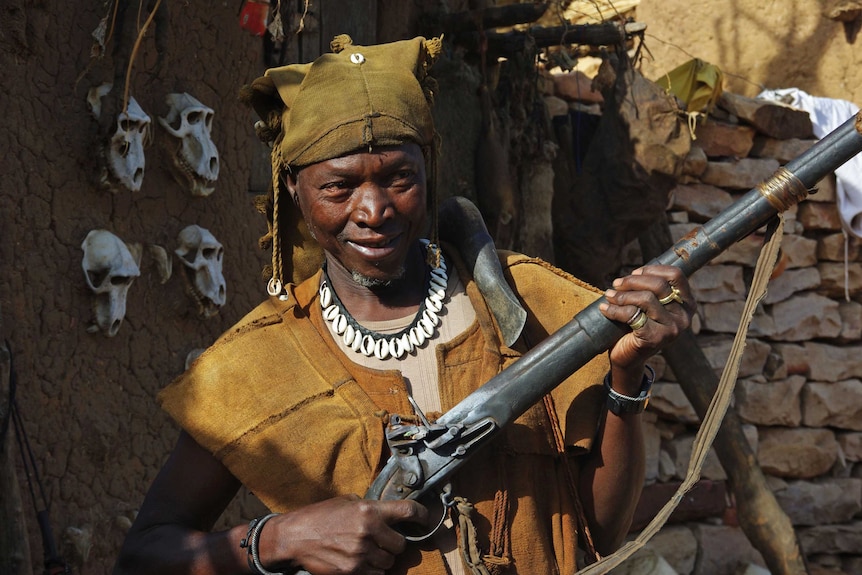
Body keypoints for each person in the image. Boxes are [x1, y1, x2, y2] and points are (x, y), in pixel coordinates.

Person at [114, 34, 695, 575]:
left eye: (399, 178)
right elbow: (145, 552)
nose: (374, 211)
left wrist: (624, 378)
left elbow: (601, 531)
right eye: (338, 187)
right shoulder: (254, 364)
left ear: (430, 169)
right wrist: (280, 539)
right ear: (293, 189)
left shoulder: (539, 303)